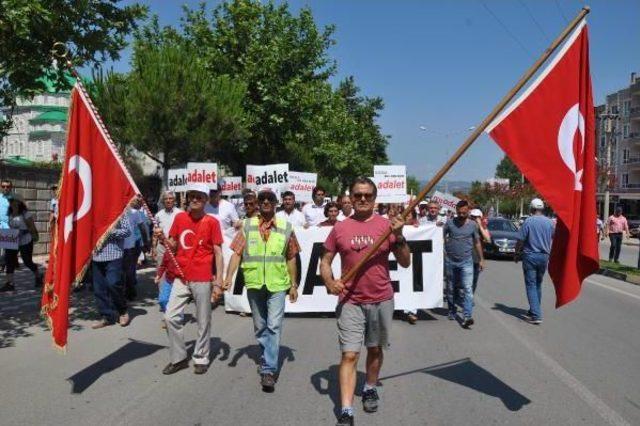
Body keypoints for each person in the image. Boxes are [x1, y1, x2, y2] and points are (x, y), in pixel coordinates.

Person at [320, 177, 410, 426]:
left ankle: (370, 387)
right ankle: (346, 410)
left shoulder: (387, 226)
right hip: (350, 300)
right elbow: (325, 261)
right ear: (350, 197)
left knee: (375, 349)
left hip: (381, 299)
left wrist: (399, 235)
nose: (362, 199)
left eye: (367, 195)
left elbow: (405, 262)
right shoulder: (340, 228)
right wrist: (329, 282)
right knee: (349, 355)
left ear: (374, 198)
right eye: (357, 195)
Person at [224, 190, 299, 392]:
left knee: (274, 325)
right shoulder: (247, 227)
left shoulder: (286, 227)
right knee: (260, 326)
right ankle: (268, 353)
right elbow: (236, 254)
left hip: (277, 285)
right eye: (262, 200)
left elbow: (291, 257)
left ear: (276, 204)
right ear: (258, 204)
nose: (266, 202)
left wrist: (293, 284)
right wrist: (229, 278)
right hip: (255, 284)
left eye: (270, 200)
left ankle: (268, 369)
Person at [163, 182, 224, 376]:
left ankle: (201, 357)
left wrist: (218, 282)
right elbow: (172, 246)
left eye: (199, 196)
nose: (195, 199)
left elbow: (218, 253)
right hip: (181, 276)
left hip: (202, 277)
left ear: (206, 200)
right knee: (170, 316)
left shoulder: (212, 222)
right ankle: (179, 358)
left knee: (203, 320)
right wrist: (162, 238)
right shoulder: (180, 218)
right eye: (192, 196)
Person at [443, 200, 484, 328]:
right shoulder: (449, 224)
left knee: (467, 288)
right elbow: (440, 237)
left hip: (467, 261)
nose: (461, 214)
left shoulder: (473, 225)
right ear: (456, 211)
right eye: (459, 212)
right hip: (450, 261)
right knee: (451, 287)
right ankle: (451, 309)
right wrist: (444, 251)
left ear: (468, 211)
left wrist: (481, 259)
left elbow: (477, 242)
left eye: (464, 212)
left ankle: (467, 316)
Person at [516, 198, 554, 325]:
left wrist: (516, 253)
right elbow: (553, 237)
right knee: (538, 284)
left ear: (531, 208)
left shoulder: (528, 221)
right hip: (544, 257)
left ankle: (536, 315)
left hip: (530, 256)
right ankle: (533, 310)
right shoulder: (549, 222)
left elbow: (520, 239)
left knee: (531, 285)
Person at [90, 214, 132, 328]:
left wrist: (109, 231)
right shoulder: (93, 212)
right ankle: (106, 316)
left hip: (114, 254)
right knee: (99, 289)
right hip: (96, 255)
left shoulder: (119, 212)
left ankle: (122, 311)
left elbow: (128, 231)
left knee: (113, 283)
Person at [0, 197, 42, 292]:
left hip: (25, 240)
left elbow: (31, 227)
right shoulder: (9, 213)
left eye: (15, 201)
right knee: (9, 261)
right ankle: (10, 284)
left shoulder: (25, 213)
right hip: (12, 239)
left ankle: (38, 277)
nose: (13, 203)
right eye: (11, 202)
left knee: (27, 261)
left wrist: (24, 232)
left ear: (19, 203)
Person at [122, 196, 149, 300]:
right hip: (117, 248)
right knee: (120, 272)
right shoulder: (116, 212)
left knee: (129, 271)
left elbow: (142, 228)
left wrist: (146, 242)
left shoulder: (135, 213)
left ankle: (130, 291)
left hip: (130, 247)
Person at [469, 208, 491, 295]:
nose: (474, 219)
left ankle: (470, 297)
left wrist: (480, 225)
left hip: (477, 258)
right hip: (466, 257)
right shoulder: (467, 226)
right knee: (466, 280)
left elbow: (488, 239)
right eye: (472, 217)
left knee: (474, 280)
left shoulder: (483, 228)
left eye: (476, 217)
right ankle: (467, 297)